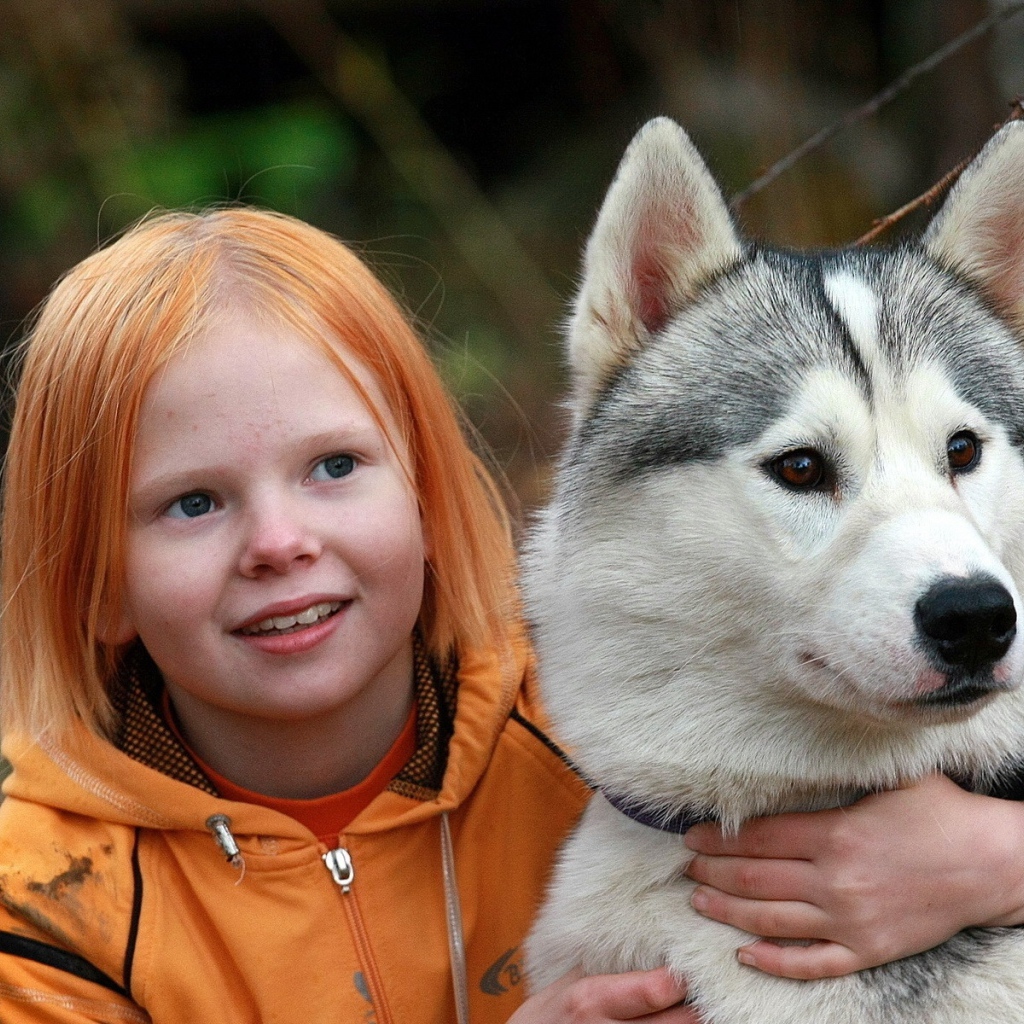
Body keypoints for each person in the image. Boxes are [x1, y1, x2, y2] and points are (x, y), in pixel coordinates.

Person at [0, 206, 696, 1023]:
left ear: (427, 496)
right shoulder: (44, 910)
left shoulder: (604, 732)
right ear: (98, 585)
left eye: (334, 465)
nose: (279, 542)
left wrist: (892, 866)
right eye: (193, 503)